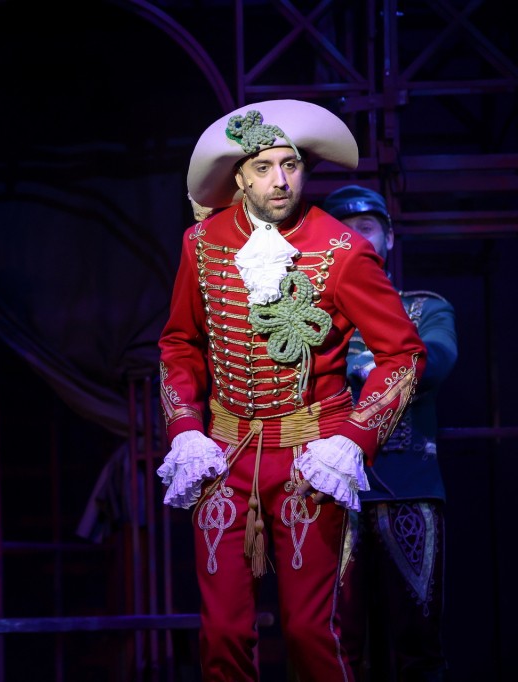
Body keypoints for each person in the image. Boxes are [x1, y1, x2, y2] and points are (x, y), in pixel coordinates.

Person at [155, 100, 427, 681]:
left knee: (311, 632)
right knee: (223, 633)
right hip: (224, 456)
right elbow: (178, 345)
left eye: (291, 165)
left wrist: (353, 439)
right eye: (264, 167)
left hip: (310, 458)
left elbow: (403, 354)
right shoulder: (200, 244)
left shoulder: (341, 250)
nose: (280, 180)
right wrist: (184, 428)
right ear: (239, 177)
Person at [323, 185, 456, 682]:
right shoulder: (307, 319)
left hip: (407, 486)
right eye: (344, 231)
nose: (357, 239)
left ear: (389, 237)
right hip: (329, 490)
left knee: (418, 641)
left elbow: (435, 362)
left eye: (367, 228)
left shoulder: (423, 309)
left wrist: (359, 368)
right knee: (330, 641)